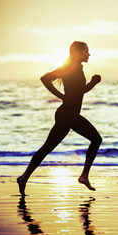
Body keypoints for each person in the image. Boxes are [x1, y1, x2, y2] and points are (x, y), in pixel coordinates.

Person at [17, 41, 102, 196]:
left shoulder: (73, 68)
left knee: (96, 139)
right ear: (77, 53)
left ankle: (84, 176)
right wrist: (92, 83)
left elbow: (47, 80)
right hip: (66, 115)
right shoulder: (73, 68)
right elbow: (77, 90)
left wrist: (62, 96)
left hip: (71, 115)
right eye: (86, 51)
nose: (89, 54)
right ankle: (23, 178)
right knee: (48, 147)